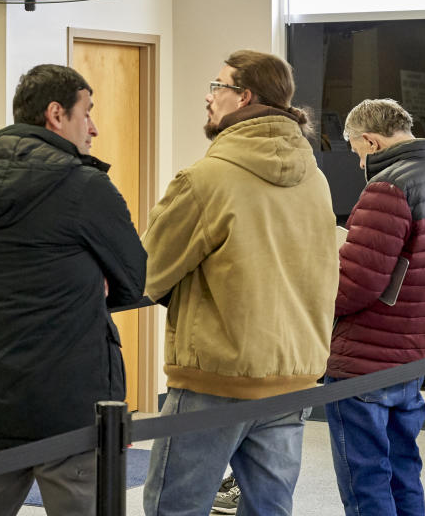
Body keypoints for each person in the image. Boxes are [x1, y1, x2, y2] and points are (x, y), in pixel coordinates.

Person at [142, 50, 338, 516]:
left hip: (217, 375)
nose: (209, 97)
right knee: (270, 509)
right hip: (294, 373)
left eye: (217, 86)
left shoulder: (206, 178)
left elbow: (147, 270)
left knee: (175, 507)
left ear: (243, 96)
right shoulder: (315, 179)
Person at [0, 64, 146, 516]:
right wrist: (89, 282)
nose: (94, 128)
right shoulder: (84, 186)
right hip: (70, 405)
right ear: (56, 115)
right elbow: (133, 280)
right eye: (88, 113)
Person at [324, 99, 425, 516]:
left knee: (366, 477)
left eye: (358, 154)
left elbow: (357, 283)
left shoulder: (387, 187)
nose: (360, 165)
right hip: (418, 348)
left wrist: (317, 306)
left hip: (365, 356)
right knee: (404, 467)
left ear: (371, 141)